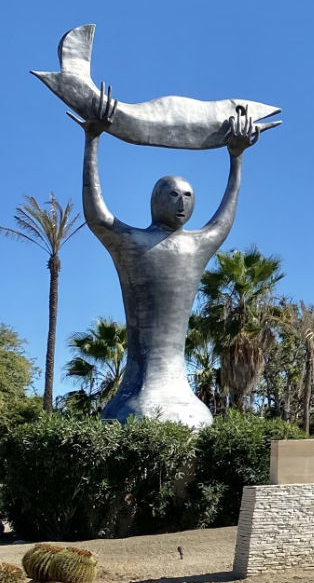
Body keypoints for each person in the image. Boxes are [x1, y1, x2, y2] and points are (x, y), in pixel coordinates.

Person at [70, 84, 259, 426]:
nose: (182, 201)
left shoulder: (196, 244)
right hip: (134, 399)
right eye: (172, 194)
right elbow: (96, 214)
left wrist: (237, 158)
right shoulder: (132, 242)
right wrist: (92, 140)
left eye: (188, 195)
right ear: (155, 199)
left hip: (179, 400)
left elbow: (225, 216)